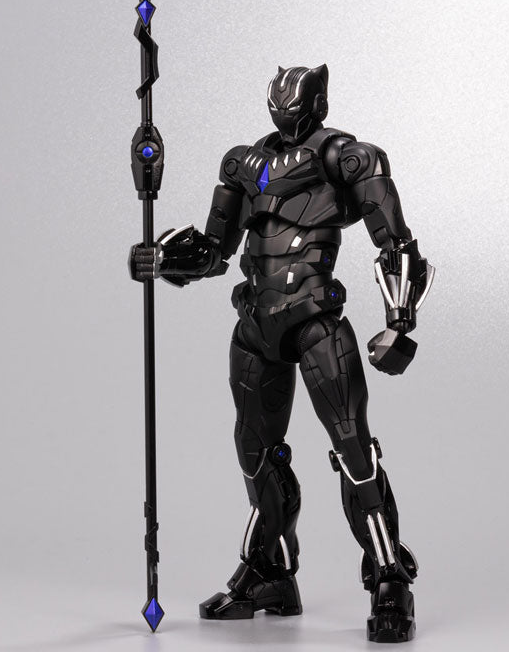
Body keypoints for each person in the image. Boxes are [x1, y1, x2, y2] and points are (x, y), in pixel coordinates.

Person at [130, 64, 433, 643]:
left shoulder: (347, 158)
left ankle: (389, 577)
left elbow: (396, 243)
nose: (286, 109)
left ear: (316, 103)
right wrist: (162, 259)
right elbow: (214, 251)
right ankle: (270, 573)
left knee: (352, 447)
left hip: (316, 320)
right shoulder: (244, 164)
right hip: (255, 323)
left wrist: (399, 322)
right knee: (254, 452)